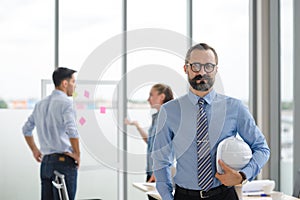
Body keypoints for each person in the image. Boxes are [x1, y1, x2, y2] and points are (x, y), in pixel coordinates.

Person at [152, 43, 270, 200]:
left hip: (224, 194)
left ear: (216, 70)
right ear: (186, 68)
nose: (202, 72)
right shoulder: (169, 111)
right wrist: (167, 197)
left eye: (208, 66)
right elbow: (161, 160)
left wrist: (242, 175)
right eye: (195, 66)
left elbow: (262, 149)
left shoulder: (235, 108)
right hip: (185, 196)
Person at [22, 67, 80, 200]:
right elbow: (72, 131)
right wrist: (77, 154)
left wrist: (35, 150)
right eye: (73, 82)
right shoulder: (66, 103)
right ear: (65, 83)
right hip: (63, 163)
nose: (74, 86)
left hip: (46, 164)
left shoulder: (40, 104)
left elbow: (26, 129)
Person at [125, 83, 174, 200]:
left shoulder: (167, 118)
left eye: (151, 95)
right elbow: (151, 142)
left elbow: (167, 148)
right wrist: (137, 126)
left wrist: (159, 172)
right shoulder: (157, 118)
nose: (148, 99)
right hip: (151, 171)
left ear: (161, 97)